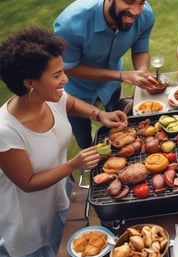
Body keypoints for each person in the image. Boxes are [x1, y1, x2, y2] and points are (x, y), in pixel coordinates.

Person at [0, 27, 128, 257]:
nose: (65, 80)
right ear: (30, 83)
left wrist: (99, 115)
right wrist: (73, 164)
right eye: (57, 75)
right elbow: (27, 182)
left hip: (61, 195)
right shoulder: (5, 131)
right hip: (27, 221)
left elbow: (70, 104)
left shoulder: (50, 97)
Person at [54, 0, 159, 149]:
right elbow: (69, 67)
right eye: (129, 1)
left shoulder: (145, 15)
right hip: (77, 93)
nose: (136, 11)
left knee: (120, 124)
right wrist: (121, 75)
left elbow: (141, 49)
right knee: (85, 139)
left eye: (141, 2)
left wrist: (142, 71)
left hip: (111, 85)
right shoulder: (69, 25)